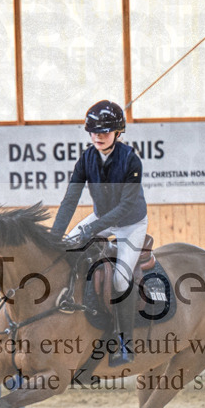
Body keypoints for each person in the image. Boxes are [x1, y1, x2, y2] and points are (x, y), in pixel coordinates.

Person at [51, 100, 147, 366]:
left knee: (120, 280)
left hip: (131, 222)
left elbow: (126, 206)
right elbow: (70, 200)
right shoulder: (86, 158)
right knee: (64, 252)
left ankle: (124, 343)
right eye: (94, 132)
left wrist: (93, 229)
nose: (98, 137)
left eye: (104, 132)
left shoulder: (130, 160)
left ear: (118, 133)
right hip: (100, 217)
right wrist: (54, 236)